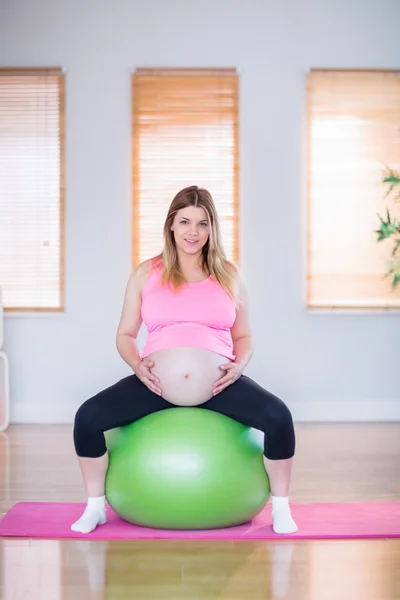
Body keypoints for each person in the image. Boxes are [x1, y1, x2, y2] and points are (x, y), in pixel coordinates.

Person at [71, 185, 298, 535]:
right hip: (155, 384)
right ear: (171, 225)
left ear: (212, 229)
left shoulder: (229, 275)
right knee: (87, 418)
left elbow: (244, 336)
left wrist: (239, 367)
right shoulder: (147, 273)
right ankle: (95, 506)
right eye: (185, 221)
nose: (194, 232)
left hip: (220, 383)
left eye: (203, 223)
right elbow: (125, 335)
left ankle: (281, 508)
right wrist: (137, 366)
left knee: (279, 418)